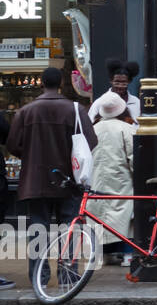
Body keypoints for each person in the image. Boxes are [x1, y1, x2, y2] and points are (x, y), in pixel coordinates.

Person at [7, 67, 98, 282]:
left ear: (41, 84)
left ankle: (40, 278)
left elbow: (12, 145)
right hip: (68, 179)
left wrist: (29, 155)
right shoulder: (75, 110)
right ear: (61, 84)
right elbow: (91, 141)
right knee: (69, 228)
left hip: (35, 180)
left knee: (38, 228)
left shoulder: (26, 111)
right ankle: (68, 275)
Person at [87, 92, 134, 267]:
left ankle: (105, 253)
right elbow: (133, 157)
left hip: (97, 179)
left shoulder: (93, 128)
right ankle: (127, 254)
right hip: (121, 179)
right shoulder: (126, 129)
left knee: (101, 216)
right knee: (125, 216)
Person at [89, 59, 141, 123]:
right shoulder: (100, 102)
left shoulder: (136, 102)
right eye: (117, 82)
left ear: (129, 81)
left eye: (124, 82)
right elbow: (90, 123)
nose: (120, 86)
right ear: (111, 81)